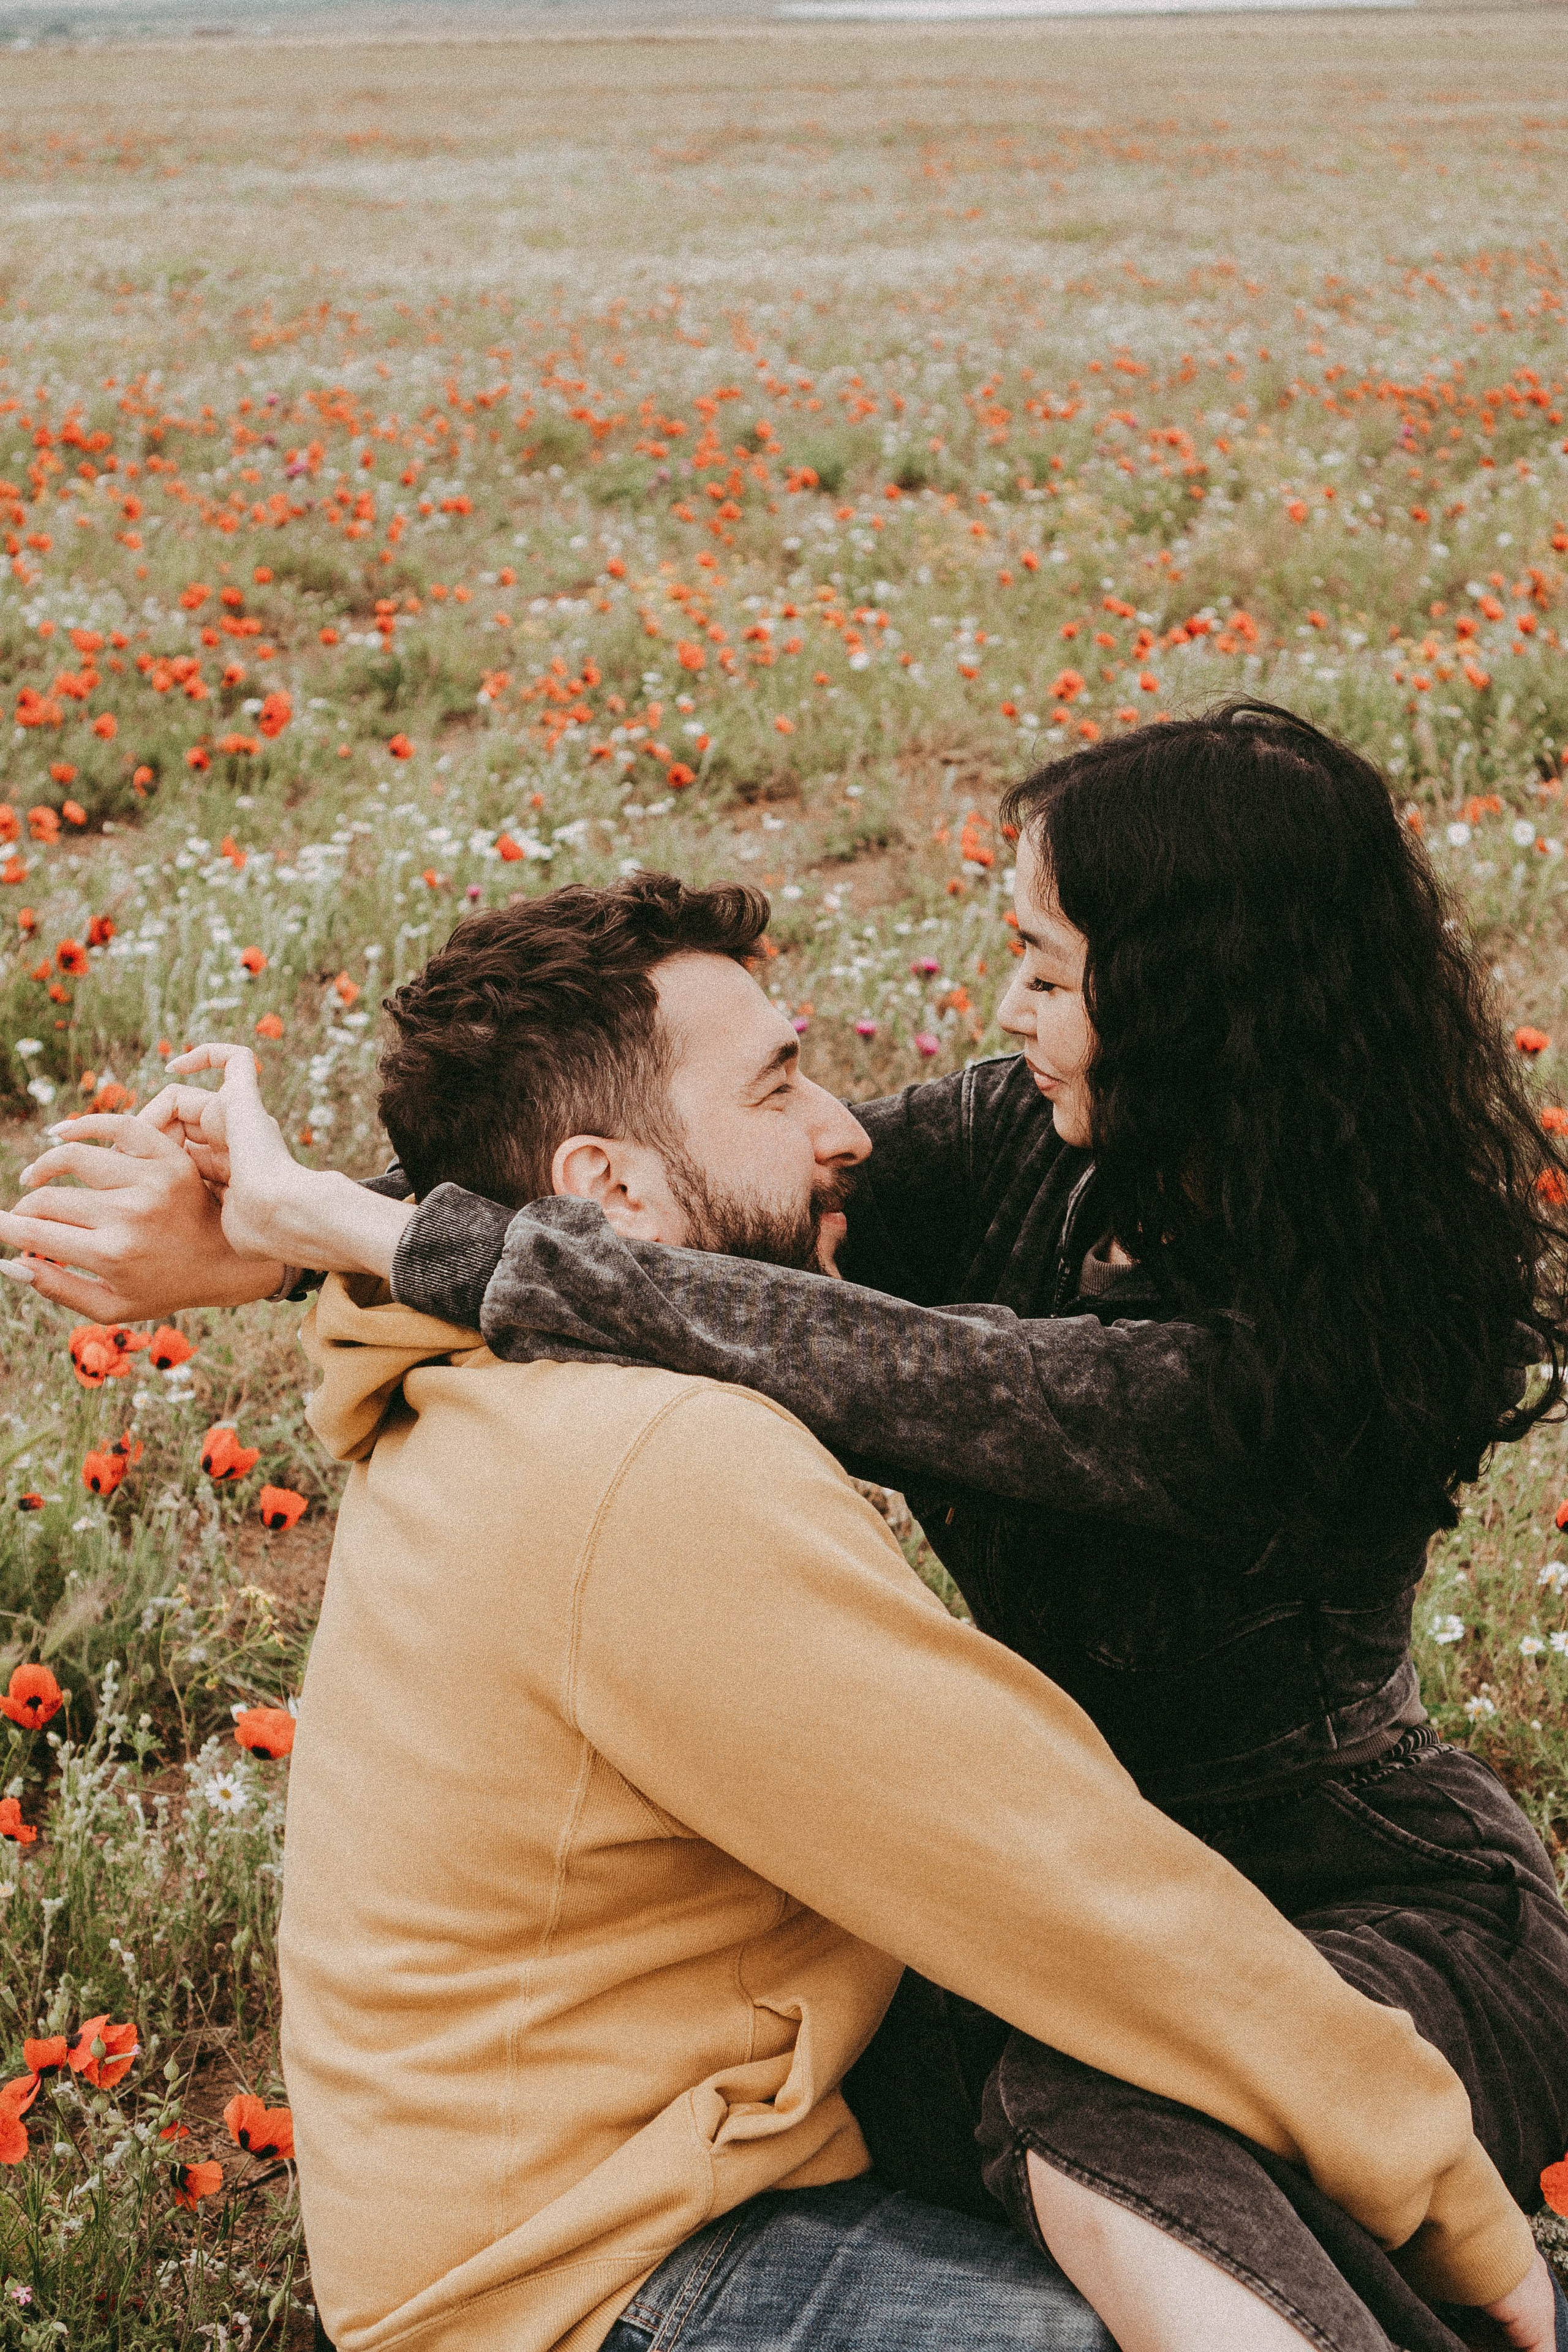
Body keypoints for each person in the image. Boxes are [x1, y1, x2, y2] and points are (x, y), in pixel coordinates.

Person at [0, 869, 1553, 2352]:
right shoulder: (653, 1468)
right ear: (596, 1194)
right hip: (604, 2279)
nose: (843, 1130)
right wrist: (1454, 2206)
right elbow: (1061, 1880)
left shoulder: (499, 1382)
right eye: (778, 1085)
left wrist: (302, 1229)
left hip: (596, 2186)